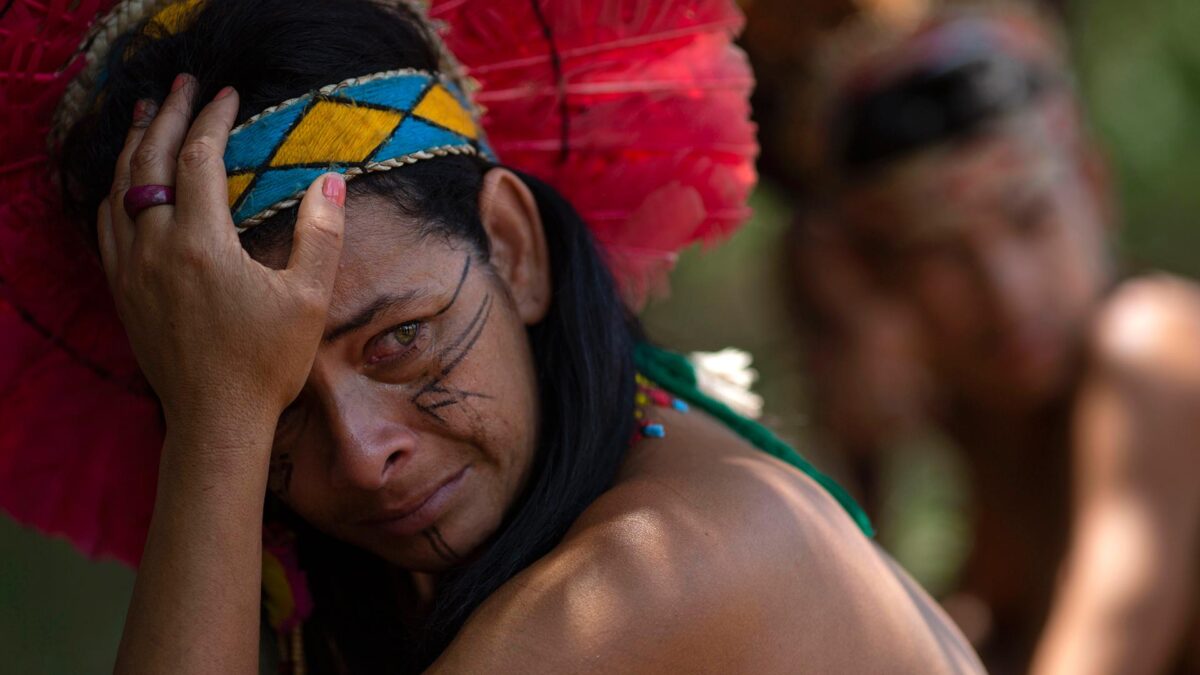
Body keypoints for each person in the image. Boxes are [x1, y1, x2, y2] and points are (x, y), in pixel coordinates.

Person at [0, 0, 984, 672]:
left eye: (399, 342)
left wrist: (216, 422)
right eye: (273, 400)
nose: (364, 454)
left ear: (512, 247)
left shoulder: (661, 568)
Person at [793, 5, 1200, 674]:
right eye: (944, 255)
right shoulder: (999, 418)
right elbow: (977, 620)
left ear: (1095, 190)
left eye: (1029, 220)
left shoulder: (1152, 348)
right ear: (885, 280)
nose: (1006, 292)